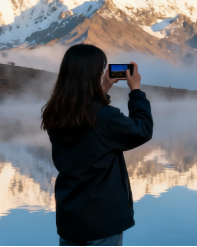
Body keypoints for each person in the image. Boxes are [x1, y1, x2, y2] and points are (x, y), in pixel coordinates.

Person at [41, 44, 153, 247]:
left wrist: (103, 90)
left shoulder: (54, 113)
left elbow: (84, 116)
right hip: (102, 222)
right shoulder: (104, 117)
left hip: (69, 221)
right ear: (92, 74)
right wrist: (135, 91)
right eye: (100, 69)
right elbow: (142, 129)